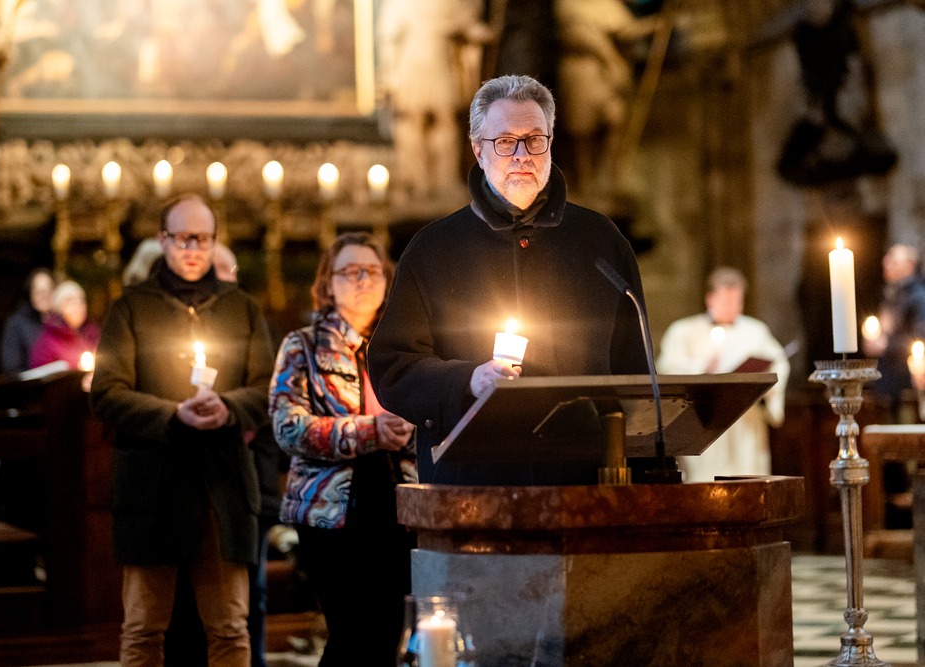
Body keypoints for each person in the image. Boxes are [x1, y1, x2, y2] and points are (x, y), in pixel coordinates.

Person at [368, 74, 649, 486]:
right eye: (505, 142)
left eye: (535, 140)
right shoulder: (433, 248)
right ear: (478, 150)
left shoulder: (601, 241)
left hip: (584, 483)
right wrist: (469, 379)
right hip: (472, 485)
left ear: (550, 143)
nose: (522, 155)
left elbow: (636, 378)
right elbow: (393, 368)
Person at [90, 193, 277, 667]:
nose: (193, 248)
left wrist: (228, 408)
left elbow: (269, 389)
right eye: (183, 238)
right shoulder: (132, 307)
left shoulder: (242, 307)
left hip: (222, 484)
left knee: (230, 628)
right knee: (143, 628)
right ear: (162, 240)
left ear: (215, 241)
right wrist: (173, 415)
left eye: (203, 239)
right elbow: (105, 394)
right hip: (152, 484)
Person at [270, 232, 416, 667]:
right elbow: (287, 427)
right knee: (356, 634)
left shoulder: (404, 348)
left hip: (400, 505)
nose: (362, 280)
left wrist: (413, 428)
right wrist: (369, 432)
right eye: (349, 271)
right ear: (327, 283)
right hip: (331, 511)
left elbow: (432, 420)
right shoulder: (303, 345)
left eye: (371, 271)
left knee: (394, 636)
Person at [656, 267, 790, 482]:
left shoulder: (756, 331)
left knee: (748, 479)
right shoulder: (683, 331)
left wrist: (761, 380)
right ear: (710, 299)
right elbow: (668, 368)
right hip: (705, 421)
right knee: (705, 482)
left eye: (737, 301)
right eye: (726, 301)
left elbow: (779, 364)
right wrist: (702, 369)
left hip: (745, 421)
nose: (732, 308)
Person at [864, 244, 925, 417]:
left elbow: (921, 339)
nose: (887, 263)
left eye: (894, 261)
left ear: (910, 266)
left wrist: (886, 345)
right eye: (887, 259)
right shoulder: (891, 294)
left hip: (907, 384)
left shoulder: (918, 296)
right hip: (887, 384)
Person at [28, 280, 99, 370]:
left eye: (81, 300)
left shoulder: (93, 334)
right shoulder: (44, 345)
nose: (78, 306)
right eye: (71, 301)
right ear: (58, 308)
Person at [0, 267, 55, 373]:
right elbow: (11, 367)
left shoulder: (59, 322)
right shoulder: (16, 324)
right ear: (30, 293)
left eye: (48, 290)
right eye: (39, 291)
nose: (44, 296)